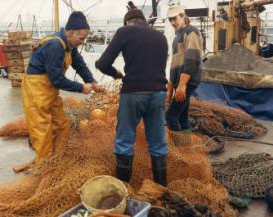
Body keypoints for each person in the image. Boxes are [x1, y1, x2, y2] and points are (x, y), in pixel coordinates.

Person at [95, 8, 169, 186]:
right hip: (159, 93)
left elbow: (103, 63)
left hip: (133, 92)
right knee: (158, 143)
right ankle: (160, 190)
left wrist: (116, 74)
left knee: (125, 141)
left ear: (128, 22)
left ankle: (123, 190)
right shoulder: (161, 37)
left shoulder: (124, 32)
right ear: (142, 20)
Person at [22, 11, 98, 164]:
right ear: (70, 32)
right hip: (36, 90)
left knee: (62, 124)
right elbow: (56, 79)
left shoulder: (69, 45)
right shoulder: (55, 45)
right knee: (42, 131)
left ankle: (57, 158)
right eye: (81, 38)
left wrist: (92, 82)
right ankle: (43, 168)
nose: (83, 41)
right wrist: (81, 88)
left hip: (49, 90)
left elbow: (80, 65)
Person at [165, 5, 203, 146]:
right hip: (180, 82)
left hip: (187, 81)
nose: (173, 22)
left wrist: (182, 85)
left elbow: (192, 60)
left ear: (183, 16)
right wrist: (171, 85)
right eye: (170, 20)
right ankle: (187, 149)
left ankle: (181, 152)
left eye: (174, 18)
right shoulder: (178, 36)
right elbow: (175, 63)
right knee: (181, 117)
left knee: (170, 116)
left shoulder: (191, 32)